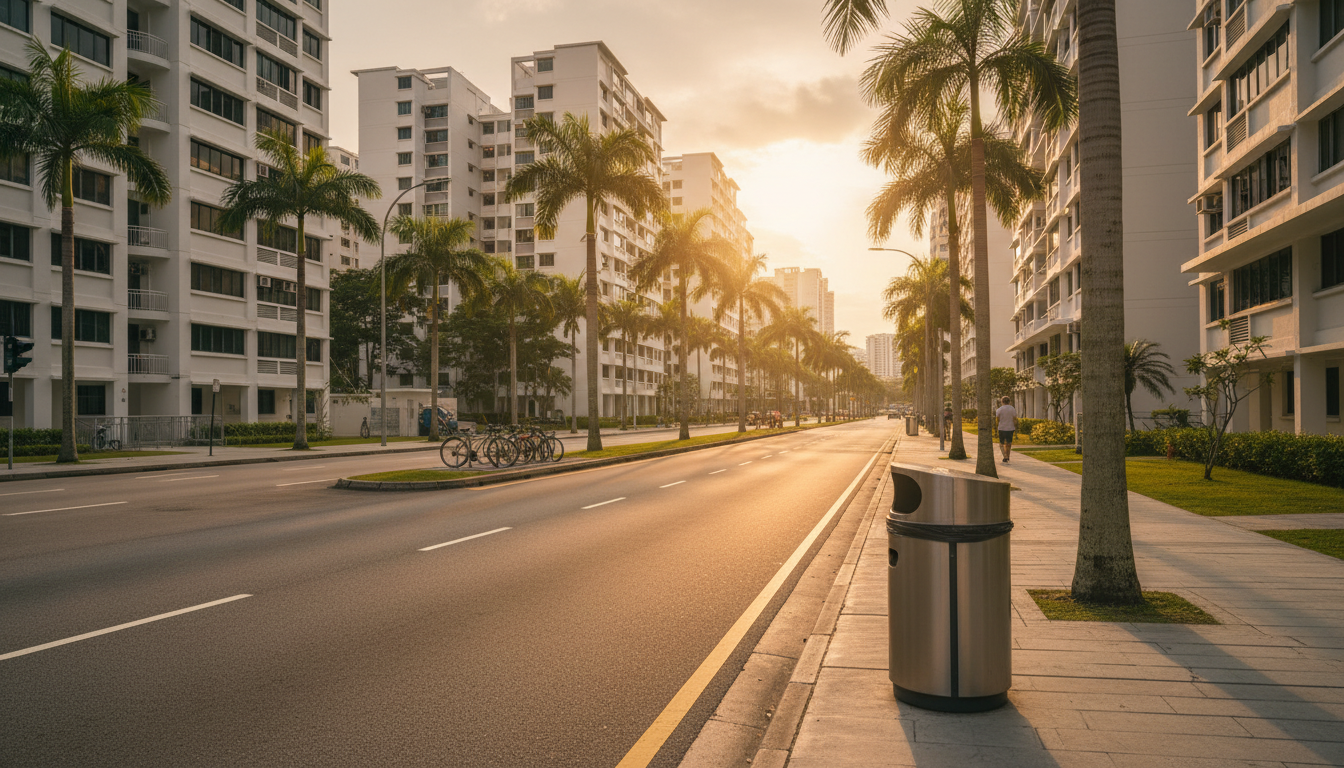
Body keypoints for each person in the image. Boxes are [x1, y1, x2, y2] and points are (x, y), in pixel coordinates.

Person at [995, 396, 1019, 463]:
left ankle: (1004, 456)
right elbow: (1015, 419)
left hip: (1002, 428)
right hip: (1010, 428)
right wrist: (1016, 426)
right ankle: (1008, 455)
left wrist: (997, 427)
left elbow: (997, 419)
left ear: (1002, 402)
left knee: (1002, 443)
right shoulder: (1012, 409)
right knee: (1009, 442)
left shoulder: (999, 409)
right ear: (1009, 401)